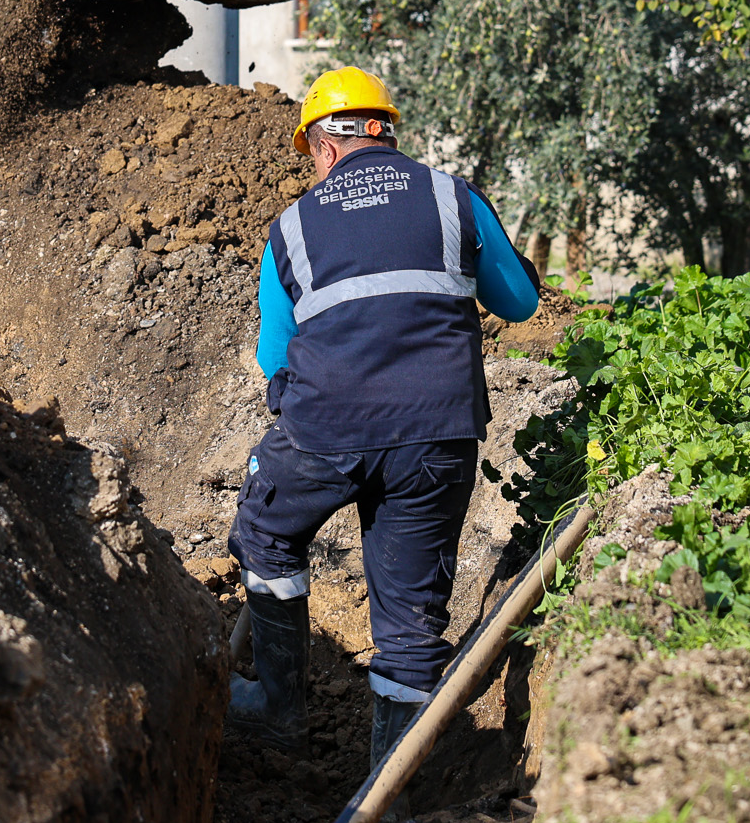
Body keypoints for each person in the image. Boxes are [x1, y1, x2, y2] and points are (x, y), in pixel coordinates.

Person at [227, 66, 540, 774]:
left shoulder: (293, 226)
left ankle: (279, 710)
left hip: (325, 427)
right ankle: (388, 796)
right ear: (386, 131)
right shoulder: (449, 195)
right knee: (408, 623)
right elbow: (518, 302)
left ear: (324, 148)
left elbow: (273, 355)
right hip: (438, 432)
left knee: (266, 530)